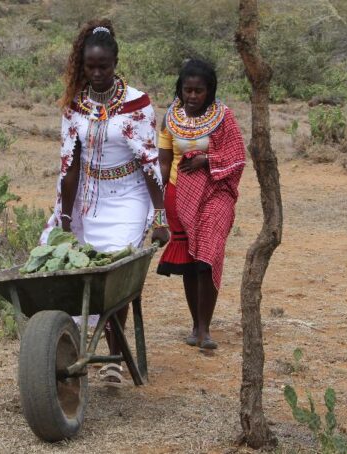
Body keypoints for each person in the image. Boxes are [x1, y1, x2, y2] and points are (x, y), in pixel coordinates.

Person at [41, 19, 168, 385]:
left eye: (104, 66)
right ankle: (81, 345)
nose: (96, 73)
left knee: (115, 274)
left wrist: (160, 217)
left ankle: (113, 357)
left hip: (129, 197)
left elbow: (149, 163)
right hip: (89, 200)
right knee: (83, 274)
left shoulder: (137, 104)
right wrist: (65, 218)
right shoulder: (74, 105)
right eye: (90, 67)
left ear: (116, 63)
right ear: (82, 65)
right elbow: (70, 164)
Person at [156, 59, 246, 350]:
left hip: (216, 194)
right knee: (190, 262)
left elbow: (238, 155)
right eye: (187, 90)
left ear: (210, 91)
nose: (193, 96)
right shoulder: (170, 118)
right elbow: (164, 161)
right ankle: (195, 324)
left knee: (208, 256)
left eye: (199, 91)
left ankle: (206, 329)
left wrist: (208, 160)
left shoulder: (224, 118)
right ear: (180, 90)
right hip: (178, 195)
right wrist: (158, 208)